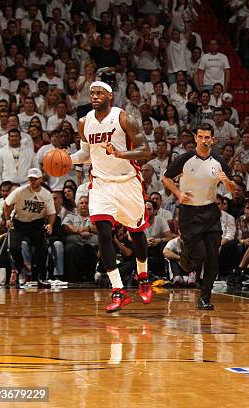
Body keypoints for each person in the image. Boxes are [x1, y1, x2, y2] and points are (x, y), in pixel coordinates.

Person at [68, 81, 153, 313]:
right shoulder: (84, 122)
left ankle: (143, 275)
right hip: (101, 183)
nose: (94, 96)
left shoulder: (124, 118)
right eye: (92, 93)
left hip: (127, 182)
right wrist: (68, 159)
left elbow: (147, 150)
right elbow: (86, 154)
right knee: (103, 232)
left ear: (110, 96)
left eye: (99, 93)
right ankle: (118, 290)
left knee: (136, 233)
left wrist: (121, 153)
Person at [162, 123, 236, 310]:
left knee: (212, 258)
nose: (204, 141)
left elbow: (233, 189)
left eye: (207, 137)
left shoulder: (219, 161)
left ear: (213, 139)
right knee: (199, 256)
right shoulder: (185, 159)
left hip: (210, 212)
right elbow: (166, 177)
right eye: (200, 137)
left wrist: (228, 183)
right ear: (196, 138)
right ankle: (185, 258)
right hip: (189, 213)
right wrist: (178, 194)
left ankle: (205, 297)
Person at [3, 168, 56, 288]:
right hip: (18, 222)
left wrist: (50, 224)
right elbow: (7, 204)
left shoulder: (46, 194)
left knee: (42, 250)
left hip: (36, 223)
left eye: (35, 179)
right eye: (31, 179)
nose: (33, 181)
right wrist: (7, 219)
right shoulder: (20, 191)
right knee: (13, 248)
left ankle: (42, 277)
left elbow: (52, 213)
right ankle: (21, 268)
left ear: (41, 179)